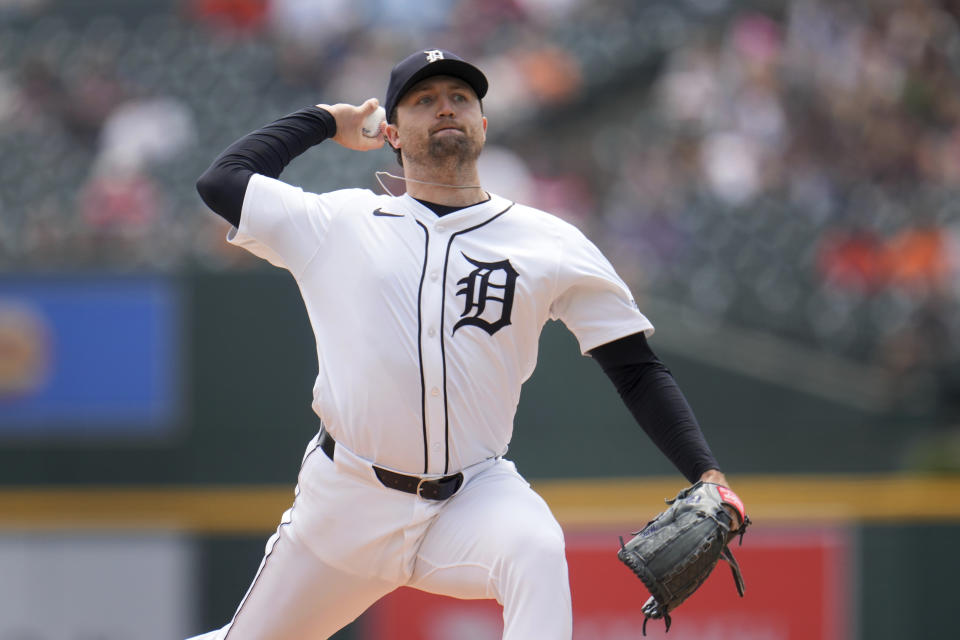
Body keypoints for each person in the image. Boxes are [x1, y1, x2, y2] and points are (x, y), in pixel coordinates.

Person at [190, 48, 735, 640]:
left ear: (483, 124)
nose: (445, 108)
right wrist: (325, 120)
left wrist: (706, 472)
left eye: (460, 98)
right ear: (391, 132)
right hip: (344, 505)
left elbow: (635, 368)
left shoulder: (548, 242)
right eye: (424, 100)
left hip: (469, 497)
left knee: (535, 547)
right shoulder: (338, 223)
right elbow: (222, 182)